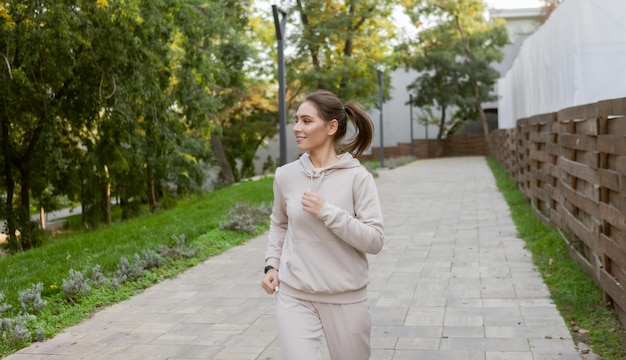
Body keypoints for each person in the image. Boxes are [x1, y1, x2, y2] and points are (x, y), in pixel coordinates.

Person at [261, 89, 385, 360]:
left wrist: (328, 212)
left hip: (346, 297)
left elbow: (374, 240)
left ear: (331, 127)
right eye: (296, 120)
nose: (296, 128)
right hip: (295, 295)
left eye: (306, 121)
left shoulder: (357, 178)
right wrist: (272, 265)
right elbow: (280, 223)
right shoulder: (286, 176)